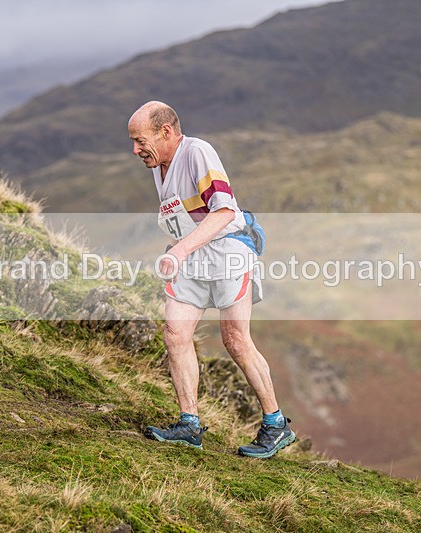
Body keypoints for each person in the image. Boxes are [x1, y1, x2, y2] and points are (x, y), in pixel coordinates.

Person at [127, 101, 295, 458]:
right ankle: (189, 424)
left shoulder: (197, 152)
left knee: (235, 340)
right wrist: (178, 248)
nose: (136, 150)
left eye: (141, 141)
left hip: (227, 252)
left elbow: (223, 211)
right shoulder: (161, 164)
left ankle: (275, 425)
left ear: (166, 132)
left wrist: (179, 251)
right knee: (175, 333)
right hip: (192, 255)